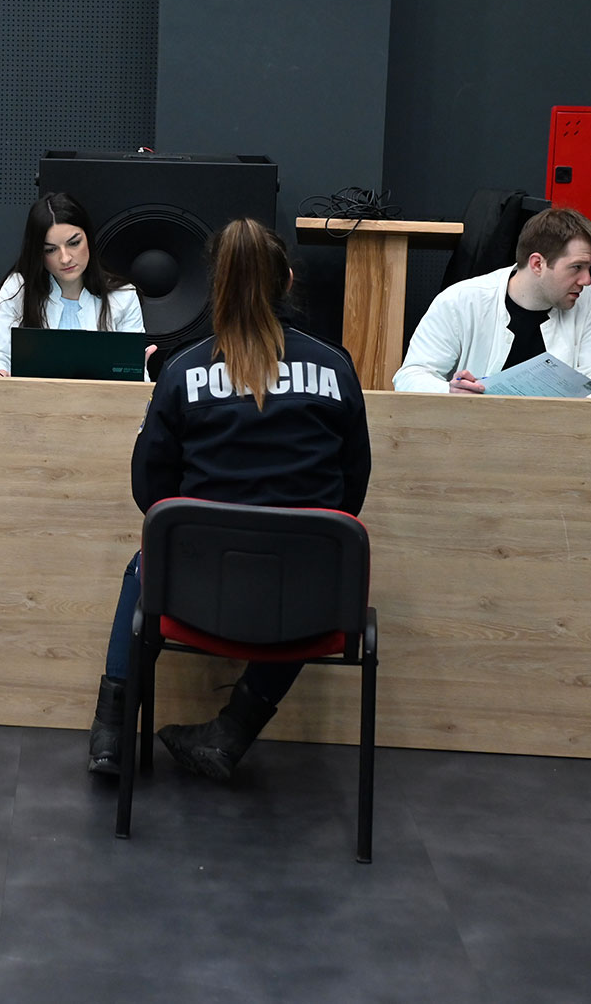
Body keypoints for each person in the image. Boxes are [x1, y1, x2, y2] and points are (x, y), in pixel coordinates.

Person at [84, 219, 370, 780]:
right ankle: (234, 728)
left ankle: (111, 735)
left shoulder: (181, 371)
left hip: (195, 591)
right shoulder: (336, 368)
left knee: (145, 564)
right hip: (306, 600)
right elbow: (351, 491)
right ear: (288, 281)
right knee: (319, 562)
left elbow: (149, 491)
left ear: (217, 285)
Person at [393, 205, 591, 398]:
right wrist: (450, 392)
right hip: (475, 432)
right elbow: (410, 376)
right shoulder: (461, 300)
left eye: (589, 267)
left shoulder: (588, 298)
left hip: (556, 433)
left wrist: (577, 409)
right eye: (577, 267)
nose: (586, 280)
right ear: (537, 264)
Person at [0, 192, 144, 376]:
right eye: (51, 250)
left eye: (74, 243)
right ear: (38, 253)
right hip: (31, 394)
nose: (65, 258)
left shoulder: (123, 295)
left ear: (88, 238)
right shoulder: (19, 288)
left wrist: (135, 373)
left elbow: (136, 377)